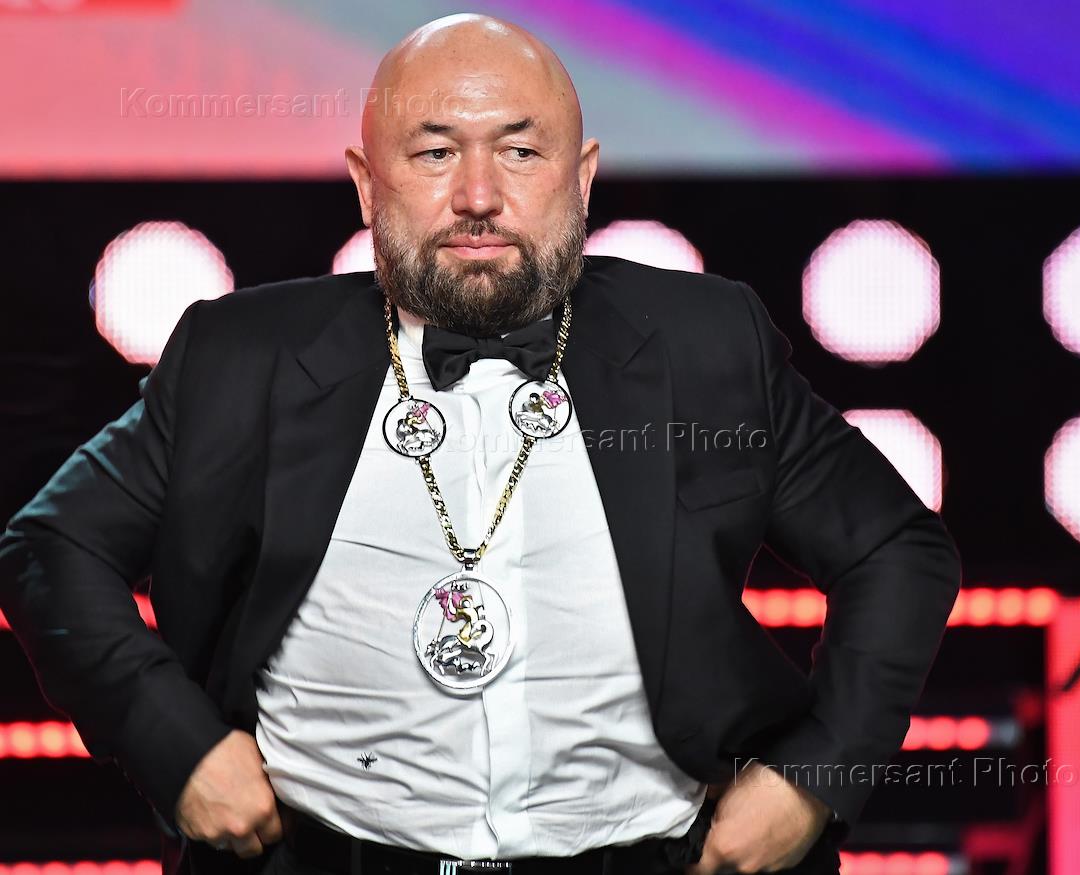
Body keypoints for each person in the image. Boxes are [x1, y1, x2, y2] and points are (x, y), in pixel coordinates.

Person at [0, 13, 960, 875]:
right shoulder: (239, 357)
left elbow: (897, 548)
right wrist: (177, 745)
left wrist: (812, 778)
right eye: (433, 153)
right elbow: (49, 545)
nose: (478, 195)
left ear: (582, 178)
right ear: (366, 185)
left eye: (521, 151)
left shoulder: (705, 343)